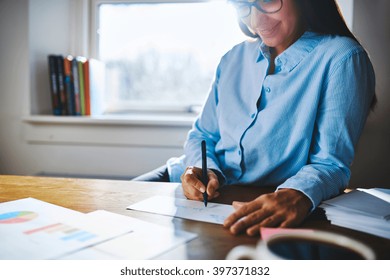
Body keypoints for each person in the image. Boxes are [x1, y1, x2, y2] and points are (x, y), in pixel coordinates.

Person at [133, 0, 376, 236]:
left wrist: (296, 195)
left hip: (264, 198)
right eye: (242, 5)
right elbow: (203, 135)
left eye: (268, 1)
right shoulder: (233, 58)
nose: (255, 20)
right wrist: (201, 169)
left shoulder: (341, 58)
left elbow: (330, 164)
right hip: (183, 182)